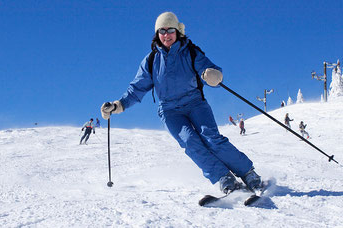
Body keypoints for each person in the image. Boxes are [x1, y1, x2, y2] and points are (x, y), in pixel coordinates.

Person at [100, 12, 262, 194]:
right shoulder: (151, 60)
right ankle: (223, 177)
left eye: (170, 30)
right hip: (170, 110)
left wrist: (212, 75)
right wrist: (118, 105)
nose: (166, 35)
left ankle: (248, 173)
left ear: (178, 32)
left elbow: (209, 71)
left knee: (211, 138)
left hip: (195, 103)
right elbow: (137, 89)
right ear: (157, 35)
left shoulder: (191, 52)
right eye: (162, 31)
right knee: (190, 141)